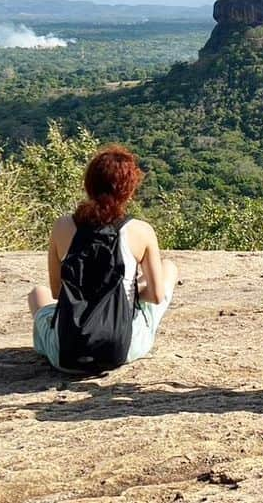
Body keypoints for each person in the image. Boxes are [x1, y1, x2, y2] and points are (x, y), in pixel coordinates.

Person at [27, 145, 178, 372]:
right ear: (129, 189)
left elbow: (57, 292)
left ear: (89, 185)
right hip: (119, 350)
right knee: (169, 268)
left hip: (67, 356)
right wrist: (133, 290)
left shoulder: (62, 226)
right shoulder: (141, 230)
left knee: (38, 293)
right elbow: (156, 296)